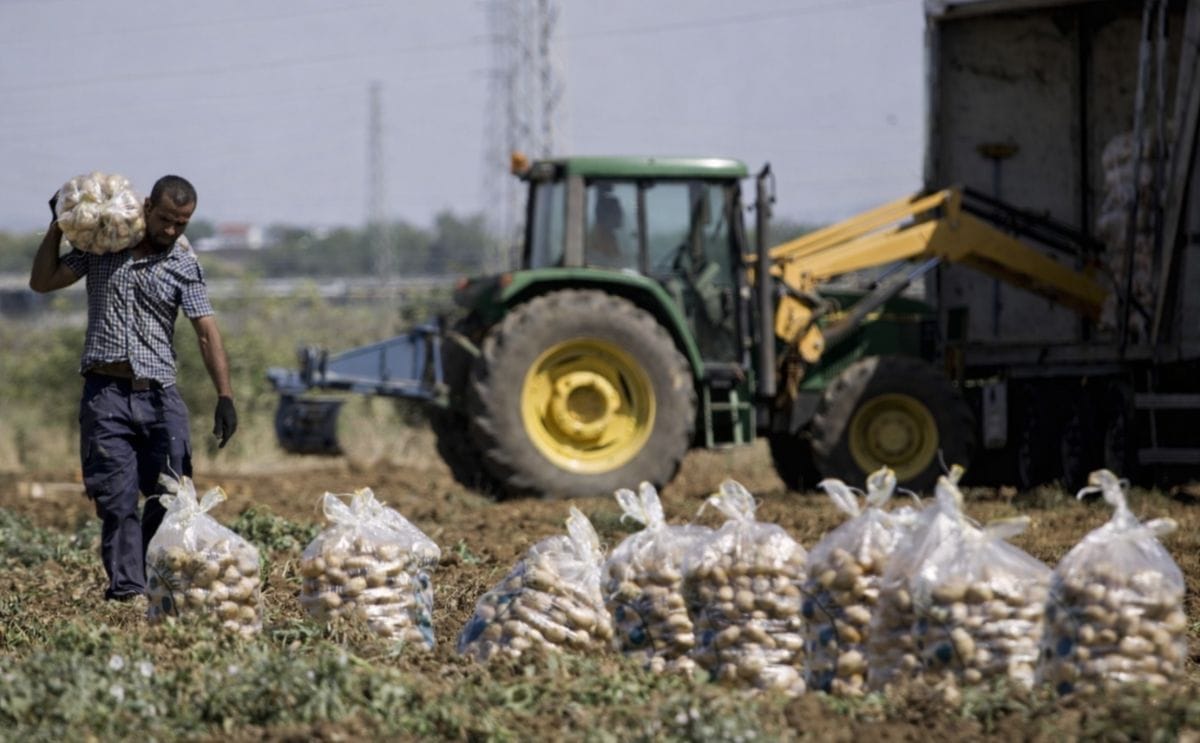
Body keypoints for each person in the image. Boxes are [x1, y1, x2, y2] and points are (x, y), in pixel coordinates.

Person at [29, 174, 237, 602]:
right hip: (105, 396)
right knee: (117, 500)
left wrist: (225, 395)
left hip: (160, 396)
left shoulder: (183, 263)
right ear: (146, 207)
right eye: (165, 219)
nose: (172, 230)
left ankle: (146, 575)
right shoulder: (103, 247)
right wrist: (56, 226)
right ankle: (127, 592)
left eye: (182, 223)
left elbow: (205, 331)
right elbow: (43, 281)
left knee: (172, 496)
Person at [587, 193, 625, 266]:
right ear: (607, 214)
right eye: (617, 212)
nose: (620, 216)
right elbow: (603, 262)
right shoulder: (597, 235)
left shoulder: (609, 236)